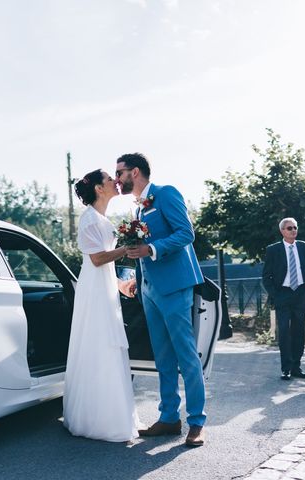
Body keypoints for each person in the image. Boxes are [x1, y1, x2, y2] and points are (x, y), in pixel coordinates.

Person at [117, 152, 207, 448]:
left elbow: (186, 234)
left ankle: (196, 422)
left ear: (137, 171)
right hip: (149, 290)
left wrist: (151, 249)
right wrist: (135, 278)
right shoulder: (138, 210)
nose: (117, 178)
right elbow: (138, 248)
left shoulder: (165, 194)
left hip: (175, 286)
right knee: (163, 359)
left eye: (121, 172)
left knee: (186, 356)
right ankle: (169, 417)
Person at [63, 169, 140, 442]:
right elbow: (96, 260)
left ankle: (113, 413)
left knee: (108, 344)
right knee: (98, 343)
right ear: (98, 188)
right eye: (110, 179)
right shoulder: (89, 220)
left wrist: (121, 284)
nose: (115, 182)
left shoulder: (102, 218)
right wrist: (131, 246)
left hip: (104, 284)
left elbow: (105, 265)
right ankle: (95, 418)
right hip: (93, 290)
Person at [262, 217, 305, 381]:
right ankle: (285, 368)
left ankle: (296, 367)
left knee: (298, 332)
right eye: (289, 228)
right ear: (282, 231)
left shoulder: (303, 247)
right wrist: (276, 294)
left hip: (300, 294)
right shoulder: (273, 250)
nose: (293, 230)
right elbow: (266, 276)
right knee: (285, 332)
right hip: (283, 295)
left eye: (295, 227)